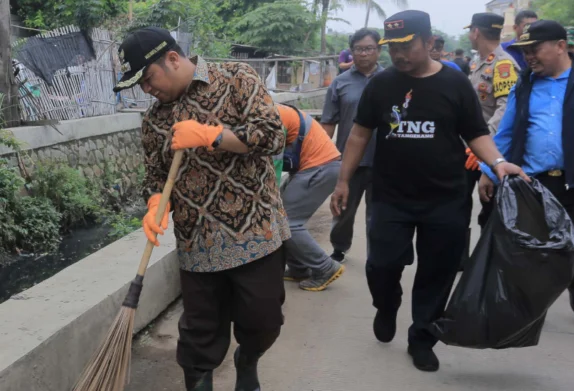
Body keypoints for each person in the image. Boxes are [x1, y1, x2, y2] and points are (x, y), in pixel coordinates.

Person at [331, 10, 527, 372]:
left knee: (437, 273)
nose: (399, 55)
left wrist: (498, 163)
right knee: (381, 265)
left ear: (429, 42)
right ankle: (386, 304)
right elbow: (359, 133)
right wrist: (343, 180)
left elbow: (476, 134)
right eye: (394, 48)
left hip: (445, 199)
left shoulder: (455, 85)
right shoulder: (382, 84)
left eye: (408, 46)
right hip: (391, 196)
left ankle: (422, 336)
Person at [113, 27, 291, 391]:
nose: (146, 90)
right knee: (198, 338)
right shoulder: (153, 122)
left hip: (256, 233)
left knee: (263, 322)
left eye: (148, 78)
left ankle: (248, 358)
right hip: (198, 244)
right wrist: (154, 205)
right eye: (139, 86)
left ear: (174, 59)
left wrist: (214, 136)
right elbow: (156, 177)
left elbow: (274, 136)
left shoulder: (236, 78)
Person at [478, 20, 574, 321]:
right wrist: (489, 168)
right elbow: (507, 133)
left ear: (560, 46)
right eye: (524, 52)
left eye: (534, 49)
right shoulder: (524, 83)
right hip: (533, 181)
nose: (529, 57)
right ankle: (533, 301)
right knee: (532, 246)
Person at [321, 28, 385, 263]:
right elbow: (328, 122)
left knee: (378, 214)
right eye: (358, 49)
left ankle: (376, 255)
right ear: (351, 52)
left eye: (369, 48)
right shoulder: (340, 83)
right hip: (349, 160)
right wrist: (319, 155)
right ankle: (339, 248)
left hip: (383, 159)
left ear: (378, 51)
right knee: (343, 210)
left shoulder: (391, 81)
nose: (364, 54)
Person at [463, 12, 520, 256]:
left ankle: (491, 262)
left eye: (470, 31)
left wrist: (482, 145)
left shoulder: (503, 64)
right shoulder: (479, 63)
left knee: (491, 207)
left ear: (476, 32)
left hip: (488, 150)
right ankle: (460, 258)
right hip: (470, 149)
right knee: (459, 205)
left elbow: (506, 108)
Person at [276, 103, 345, 290]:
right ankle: (299, 269)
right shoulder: (274, 109)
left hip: (319, 167)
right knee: (281, 218)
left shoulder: (271, 115)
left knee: (287, 222)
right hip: (319, 166)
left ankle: (325, 267)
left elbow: (272, 163)